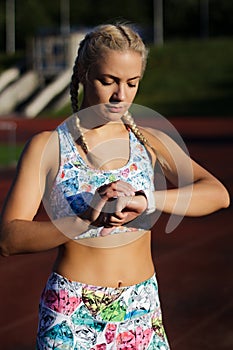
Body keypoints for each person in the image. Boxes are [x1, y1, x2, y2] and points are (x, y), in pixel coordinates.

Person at [0, 23, 230, 350]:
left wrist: (148, 199)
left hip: (142, 310)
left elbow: (218, 194)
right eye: (108, 81)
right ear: (82, 73)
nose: (121, 95)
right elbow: (8, 239)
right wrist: (83, 220)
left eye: (131, 83)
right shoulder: (48, 147)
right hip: (73, 312)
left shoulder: (150, 142)